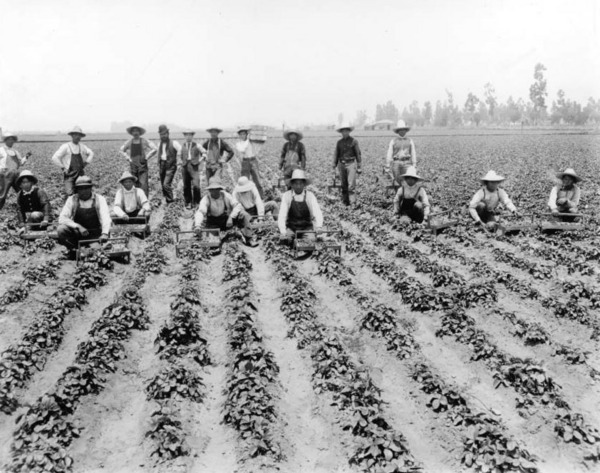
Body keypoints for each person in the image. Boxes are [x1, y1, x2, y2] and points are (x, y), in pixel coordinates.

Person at [57, 176, 111, 256]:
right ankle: (75, 250)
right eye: (81, 189)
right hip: (78, 234)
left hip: (95, 234)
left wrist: (105, 233)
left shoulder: (99, 199)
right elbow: (62, 218)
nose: (84, 191)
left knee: (97, 253)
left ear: (91, 188)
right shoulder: (72, 199)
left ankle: (89, 250)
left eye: (86, 188)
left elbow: (105, 217)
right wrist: (78, 226)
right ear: (77, 190)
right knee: (61, 229)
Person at [193, 178, 257, 247]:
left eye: (217, 189)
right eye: (212, 189)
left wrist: (231, 217)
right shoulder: (206, 199)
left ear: (220, 189)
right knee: (214, 244)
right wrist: (197, 225)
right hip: (213, 223)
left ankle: (249, 239)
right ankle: (214, 240)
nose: (215, 191)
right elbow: (200, 212)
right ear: (209, 190)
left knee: (242, 214)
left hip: (226, 220)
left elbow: (238, 205)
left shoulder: (226, 195)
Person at [278, 169, 323, 242]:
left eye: (300, 183)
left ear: (304, 184)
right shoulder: (287, 196)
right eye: (296, 184)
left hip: (306, 228)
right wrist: (283, 231)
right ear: (292, 184)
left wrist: (319, 226)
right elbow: (282, 215)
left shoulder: (310, 196)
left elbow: (317, 212)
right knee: (285, 241)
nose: (298, 186)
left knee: (310, 241)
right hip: (291, 228)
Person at [51, 126, 94, 197]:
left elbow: (91, 153)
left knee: (82, 193)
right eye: (76, 134)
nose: (78, 137)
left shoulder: (82, 146)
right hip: (69, 174)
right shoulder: (66, 146)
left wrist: (86, 163)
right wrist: (63, 168)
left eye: (79, 135)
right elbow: (55, 157)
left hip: (80, 174)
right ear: (72, 135)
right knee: (69, 193)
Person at [119, 125, 157, 198]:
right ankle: (136, 201)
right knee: (134, 184)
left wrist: (147, 157)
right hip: (133, 166)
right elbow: (121, 150)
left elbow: (155, 149)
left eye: (137, 131)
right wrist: (128, 158)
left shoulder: (144, 141)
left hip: (142, 165)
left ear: (139, 132)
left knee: (143, 184)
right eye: (134, 131)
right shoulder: (129, 142)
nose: (135, 132)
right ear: (132, 133)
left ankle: (145, 202)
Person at [333, 123, 362, 205]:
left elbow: (358, 154)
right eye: (343, 131)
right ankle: (345, 202)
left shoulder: (354, 141)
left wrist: (359, 166)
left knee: (351, 185)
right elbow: (336, 154)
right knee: (343, 184)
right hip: (341, 164)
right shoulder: (339, 142)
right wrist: (334, 166)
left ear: (349, 131)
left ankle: (352, 203)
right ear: (341, 132)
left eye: (346, 131)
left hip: (351, 164)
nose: (345, 133)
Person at [15, 170, 52, 234]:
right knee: (30, 218)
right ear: (20, 184)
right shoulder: (20, 195)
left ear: (31, 182)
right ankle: (29, 228)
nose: (25, 184)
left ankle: (39, 227)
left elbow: (45, 205)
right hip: (30, 219)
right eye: (23, 183)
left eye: (27, 182)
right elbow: (19, 209)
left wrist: (46, 219)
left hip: (41, 217)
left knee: (34, 214)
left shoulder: (39, 191)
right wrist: (22, 223)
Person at [0, 132, 30, 210]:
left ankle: (25, 209)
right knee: (2, 194)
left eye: (12, 140)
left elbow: (21, 163)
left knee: (22, 192)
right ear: (5, 141)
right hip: (5, 174)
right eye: (9, 139)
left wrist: (26, 157)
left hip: (16, 174)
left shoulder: (15, 151)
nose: (11, 141)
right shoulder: (1, 150)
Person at [235, 126, 264, 198]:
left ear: (246, 134)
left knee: (257, 180)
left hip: (253, 160)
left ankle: (260, 197)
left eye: (244, 134)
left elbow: (261, 140)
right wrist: (249, 137)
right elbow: (243, 149)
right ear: (239, 135)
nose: (242, 136)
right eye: (241, 134)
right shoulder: (239, 144)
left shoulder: (251, 141)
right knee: (245, 180)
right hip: (245, 162)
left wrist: (252, 133)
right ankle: (246, 197)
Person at [156, 124, 181, 204]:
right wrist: (158, 163)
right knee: (163, 185)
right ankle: (167, 200)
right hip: (162, 165)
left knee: (166, 184)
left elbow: (181, 150)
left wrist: (179, 160)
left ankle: (170, 202)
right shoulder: (159, 144)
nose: (163, 136)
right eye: (161, 134)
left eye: (164, 134)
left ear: (168, 134)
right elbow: (159, 154)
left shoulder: (174, 143)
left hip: (171, 166)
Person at [385, 120, 416, 185]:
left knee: (407, 181)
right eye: (400, 130)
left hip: (407, 163)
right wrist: (387, 165)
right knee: (397, 182)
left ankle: (405, 194)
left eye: (403, 129)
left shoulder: (410, 141)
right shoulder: (393, 141)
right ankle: (399, 193)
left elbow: (413, 153)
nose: (402, 131)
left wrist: (414, 164)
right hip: (396, 163)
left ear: (405, 130)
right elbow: (389, 153)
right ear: (398, 131)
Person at [180, 130, 205, 209]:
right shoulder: (183, 145)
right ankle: (188, 202)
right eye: (186, 135)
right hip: (185, 166)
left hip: (194, 166)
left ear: (192, 136)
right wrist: (181, 162)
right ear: (184, 136)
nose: (188, 137)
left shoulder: (197, 145)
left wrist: (200, 160)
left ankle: (197, 202)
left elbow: (204, 153)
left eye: (190, 135)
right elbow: (180, 155)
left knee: (196, 185)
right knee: (186, 186)